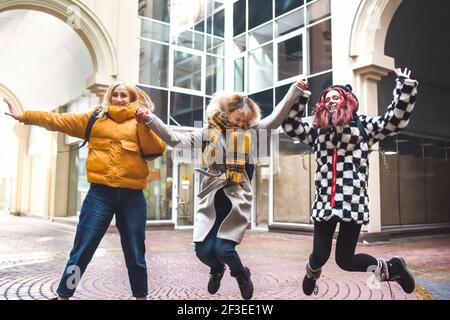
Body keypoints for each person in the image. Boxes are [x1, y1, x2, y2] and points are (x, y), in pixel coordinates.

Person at [134, 80, 310, 300]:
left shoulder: (252, 132)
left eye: (246, 121)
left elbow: (274, 119)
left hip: (235, 198)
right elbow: (175, 140)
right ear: (227, 113)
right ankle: (217, 269)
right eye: (238, 119)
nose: (242, 124)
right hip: (212, 197)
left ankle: (241, 275)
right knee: (203, 251)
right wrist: (150, 119)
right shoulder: (209, 133)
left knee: (224, 249)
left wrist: (295, 91)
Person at [3, 83, 166, 300]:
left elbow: (156, 149)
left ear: (132, 98)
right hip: (100, 195)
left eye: (123, 95)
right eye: (115, 94)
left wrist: (143, 123)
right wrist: (24, 116)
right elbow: (57, 120)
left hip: (132, 196)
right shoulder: (94, 118)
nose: (118, 98)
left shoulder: (141, 122)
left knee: (136, 253)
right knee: (82, 249)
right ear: (110, 97)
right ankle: (63, 295)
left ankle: (141, 296)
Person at [282, 68, 418, 296]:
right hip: (325, 203)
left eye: (336, 97)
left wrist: (404, 86)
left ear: (347, 100)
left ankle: (393, 269)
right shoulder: (317, 132)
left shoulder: (364, 128)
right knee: (319, 255)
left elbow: (395, 120)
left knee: (345, 260)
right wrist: (300, 95)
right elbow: (290, 125)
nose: (331, 101)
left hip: (352, 203)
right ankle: (311, 273)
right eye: (327, 99)